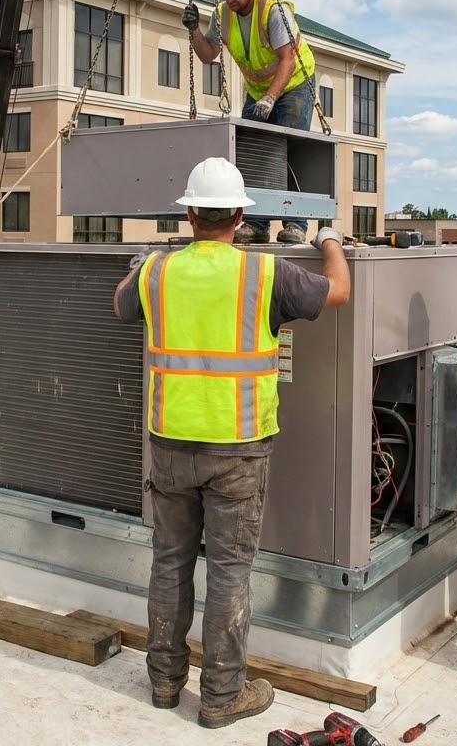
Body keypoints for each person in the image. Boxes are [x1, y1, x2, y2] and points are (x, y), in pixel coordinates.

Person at [113, 156, 350, 728]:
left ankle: (165, 685)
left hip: (170, 443)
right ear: (241, 215)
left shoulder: (156, 272)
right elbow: (337, 293)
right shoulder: (266, 273)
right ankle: (222, 696)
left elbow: (121, 301)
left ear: (189, 212)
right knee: (229, 571)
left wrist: (146, 261)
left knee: (169, 563)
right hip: (238, 447)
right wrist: (332, 243)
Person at [182, 0, 317, 246]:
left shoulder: (272, 10)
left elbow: (288, 60)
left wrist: (271, 97)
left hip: (293, 84)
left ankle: (295, 223)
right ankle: (256, 223)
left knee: (289, 151)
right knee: (252, 153)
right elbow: (208, 54)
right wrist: (193, 31)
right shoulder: (222, 15)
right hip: (259, 91)